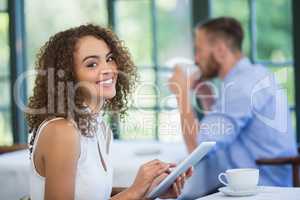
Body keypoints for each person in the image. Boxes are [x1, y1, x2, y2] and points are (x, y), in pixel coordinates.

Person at [25, 24, 192, 200]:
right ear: (67, 77)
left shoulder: (100, 127)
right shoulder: (62, 131)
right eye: (92, 64)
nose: (108, 69)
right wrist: (134, 191)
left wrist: (149, 190)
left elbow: (93, 193)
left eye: (110, 58)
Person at [168, 17, 297, 198]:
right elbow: (227, 135)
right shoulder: (253, 75)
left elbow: (197, 149)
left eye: (199, 50)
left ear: (220, 51)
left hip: (262, 190)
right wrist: (206, 97)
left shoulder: (240, 87)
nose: (196, 59)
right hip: (263, 182)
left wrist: (180, 94)